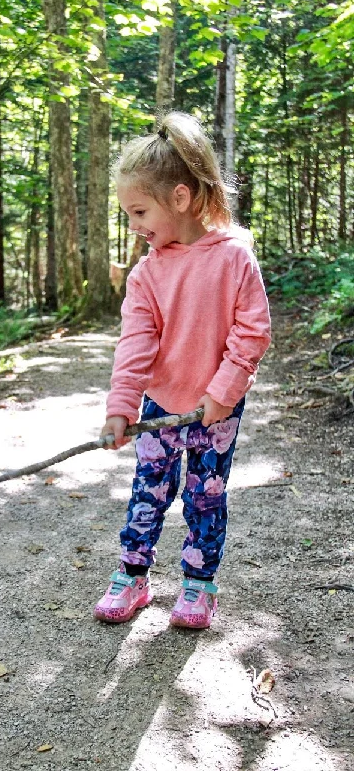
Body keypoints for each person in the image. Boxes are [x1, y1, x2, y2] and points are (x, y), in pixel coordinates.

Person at [94, 111, 271, 629]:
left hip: (216, 410)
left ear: (180, 197)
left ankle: (198, 585)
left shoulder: (236, 258)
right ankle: (133, 575)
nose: (134, 226)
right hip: (161, 405)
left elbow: (252, 333)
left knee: (205, 496)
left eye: (139, 211)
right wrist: (121, 408)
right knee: (148, 490)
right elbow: (135, 344)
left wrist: (222, 394)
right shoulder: (147, 274)